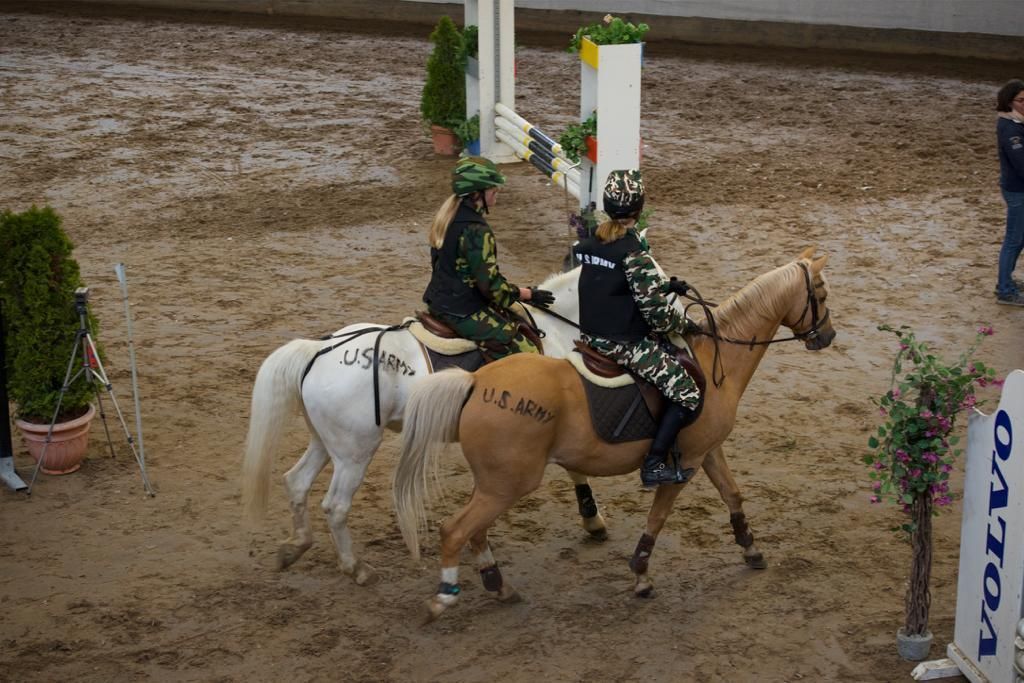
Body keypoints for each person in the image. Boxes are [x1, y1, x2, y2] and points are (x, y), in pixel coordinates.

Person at [574, 169, 702, 487]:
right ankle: (654, 464)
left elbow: (613, 283)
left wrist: (663, 284)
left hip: (588, 335)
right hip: (622, 344)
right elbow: (658, 317)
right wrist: (685, 324)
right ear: (639, 208)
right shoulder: (634, 252)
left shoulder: (590, 241)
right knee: (686, 393)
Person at [422, 156, 556, 357]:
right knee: (528, 353)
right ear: (477, 194)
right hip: (463, 311)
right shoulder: (476, 230)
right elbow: (492, 288)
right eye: (493, 190)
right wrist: (527, 294)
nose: (497, 194)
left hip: (439, 301)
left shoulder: (448, 218)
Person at [995, 79, 1024, 306]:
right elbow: (1020, 164)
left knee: (1019, 239)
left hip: (1017, 188)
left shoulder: (1018, 123)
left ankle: (1007, 282)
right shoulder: (1010, 127)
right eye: (1022, 100)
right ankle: (1004, 289)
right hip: (1017, 191)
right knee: (1013, 240)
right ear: (1010, 102)